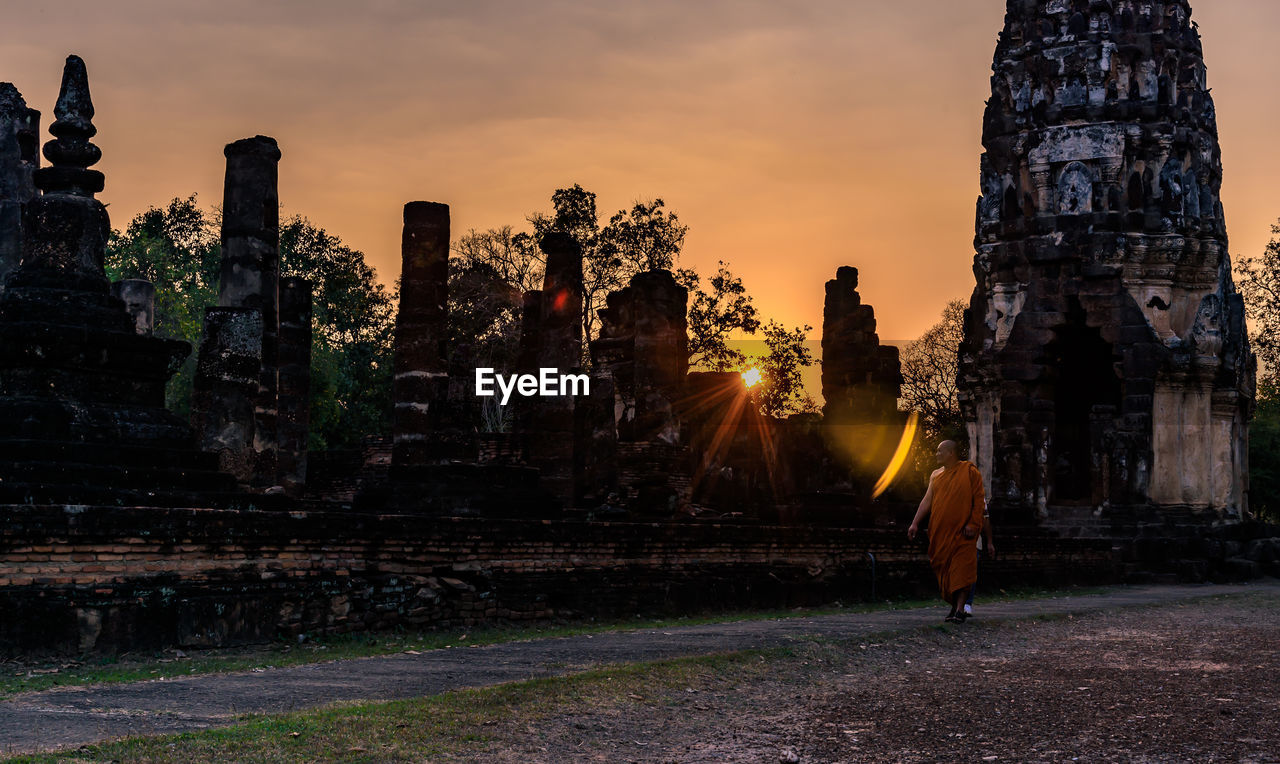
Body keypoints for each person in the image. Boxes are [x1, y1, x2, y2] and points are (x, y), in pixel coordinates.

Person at [907, 440, 985, 623]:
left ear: (951, 453)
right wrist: (914, 523)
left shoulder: (969, 472)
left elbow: (979, 501)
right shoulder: (936, 475)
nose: (936, 454)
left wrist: (973, 524)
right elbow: (926, 501)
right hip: (940, 533)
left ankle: (959, 610)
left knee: (962, 571)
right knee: (947, 572)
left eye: (940, 451)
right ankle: (954, 606)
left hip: (963, 533)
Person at [964, 502, 995, 617]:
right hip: (955, 540)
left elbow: (985, 520)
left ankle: (967, 604)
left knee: (971, 573)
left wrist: (990, 542)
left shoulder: (979, 496)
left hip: (974, 540)